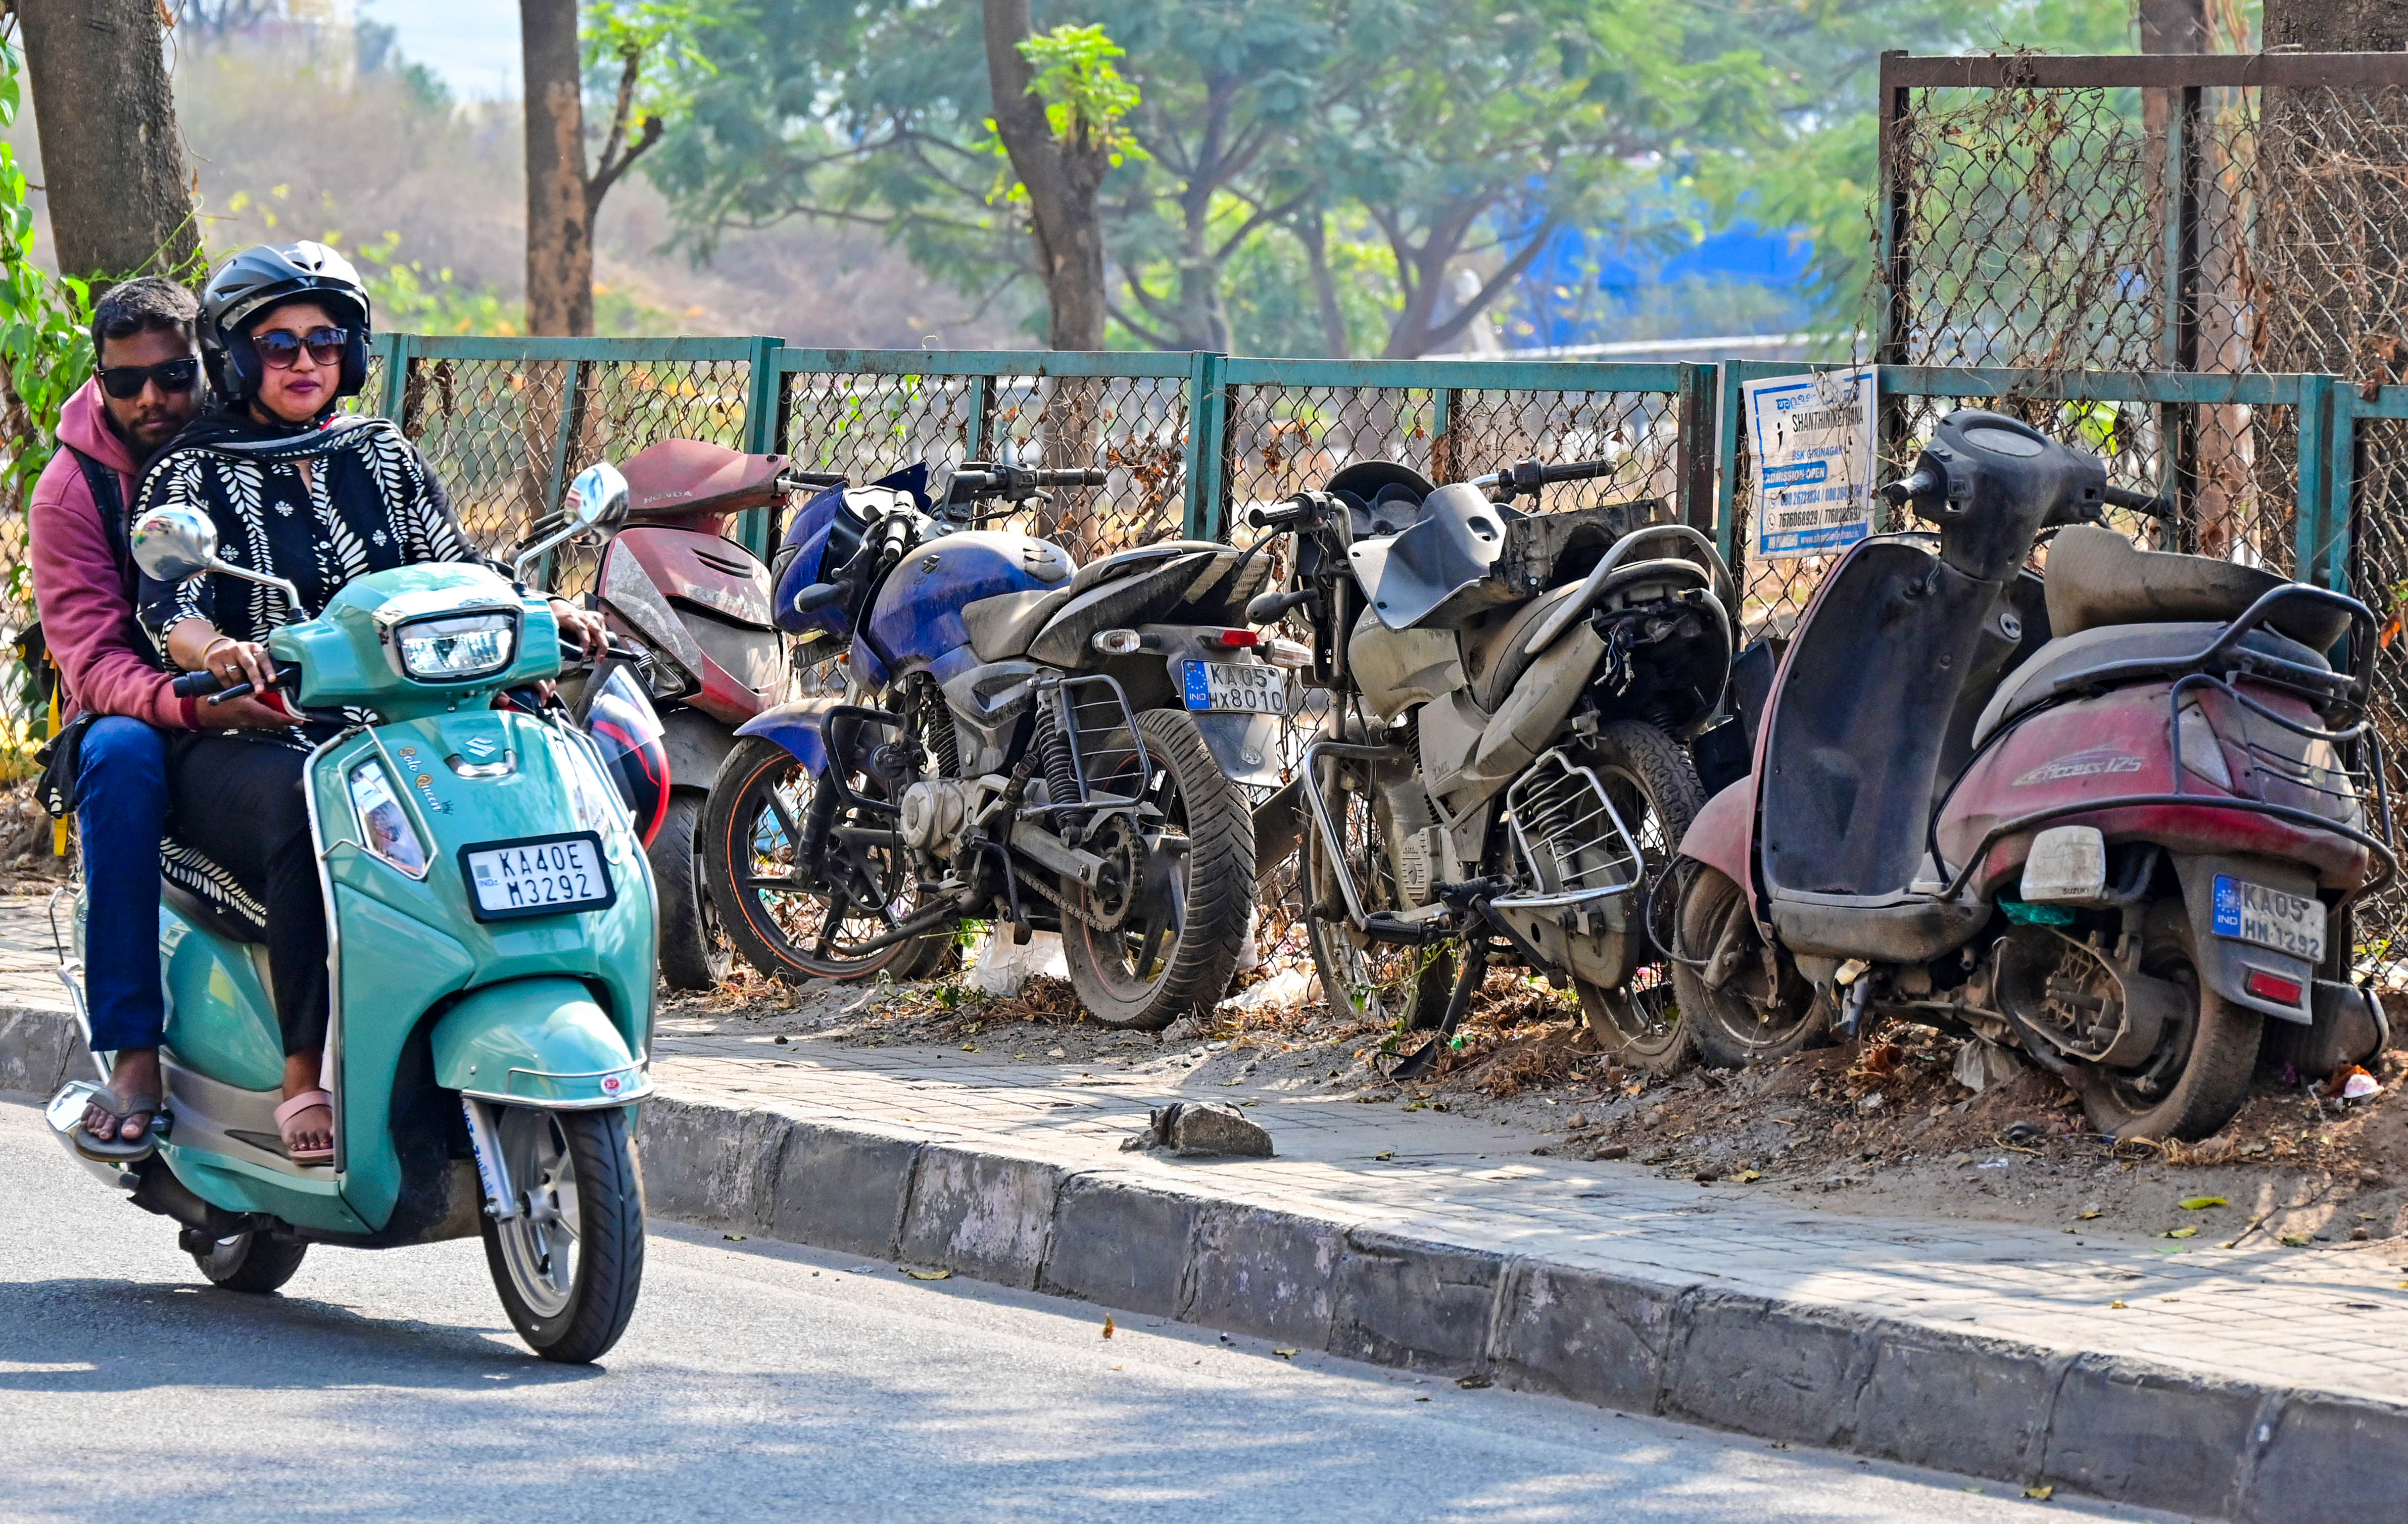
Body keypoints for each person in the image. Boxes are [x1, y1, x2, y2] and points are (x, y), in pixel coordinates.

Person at [133, 242, 603, 1164]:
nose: (305, 360)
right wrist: (219, 652)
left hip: (399, 726)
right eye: (277, 344)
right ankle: (305, 1072)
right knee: (315, 810)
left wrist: (545, 610)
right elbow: (169, 611)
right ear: (236, 360)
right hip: (258, 730)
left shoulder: (384, 452)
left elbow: (461, 569)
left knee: (541, 766)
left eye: (324, 338)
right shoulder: (189, 472)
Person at [30, 277, 289, 1162]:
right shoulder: (72, 492)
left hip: (277, 690)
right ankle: (134, 1053)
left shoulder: (257, 435)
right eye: (125, 381)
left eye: (174, 376)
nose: (151, 399)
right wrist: (186, 699)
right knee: (124, 756)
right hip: (141, 708)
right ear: (98, 380)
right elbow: (93, 662)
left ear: (210, 365)